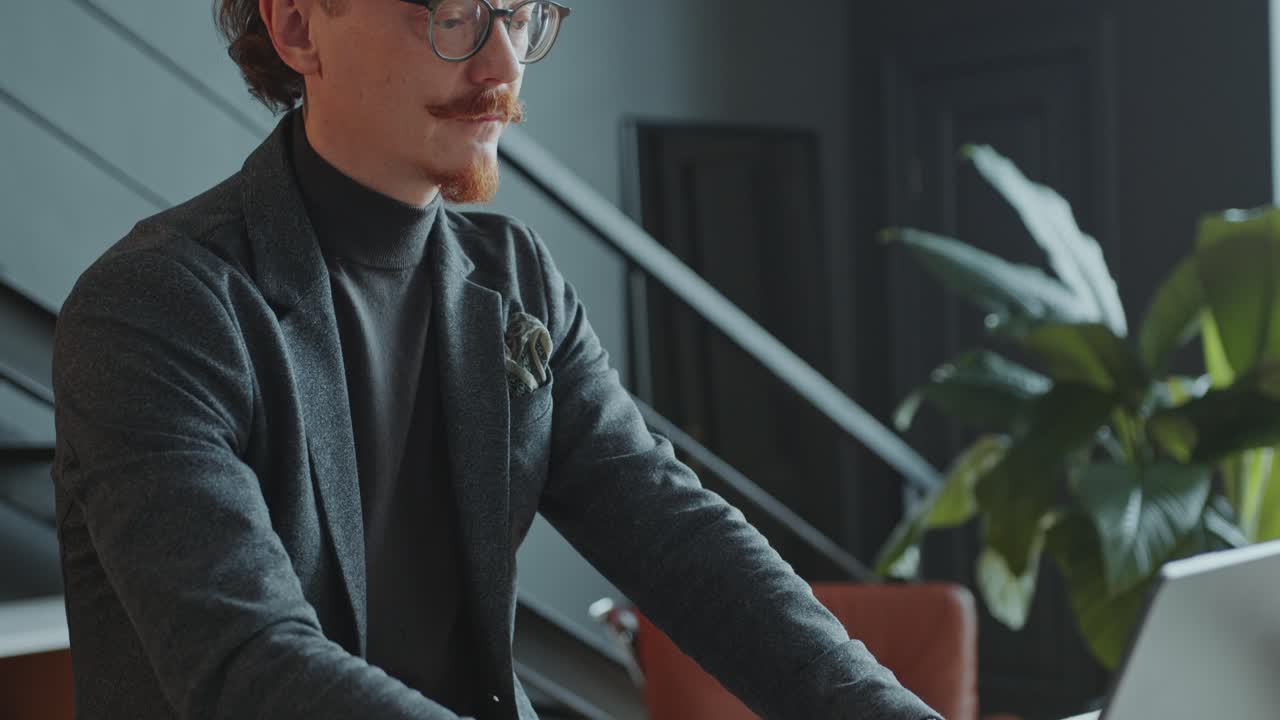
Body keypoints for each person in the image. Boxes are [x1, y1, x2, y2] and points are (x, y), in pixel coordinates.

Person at [49, 1, 943, 718]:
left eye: (517, 15)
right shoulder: (158, 304)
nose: (503, 66)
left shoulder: (516, 277)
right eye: (451, 15)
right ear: (296, 26)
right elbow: (248, 664)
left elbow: (680, 537)